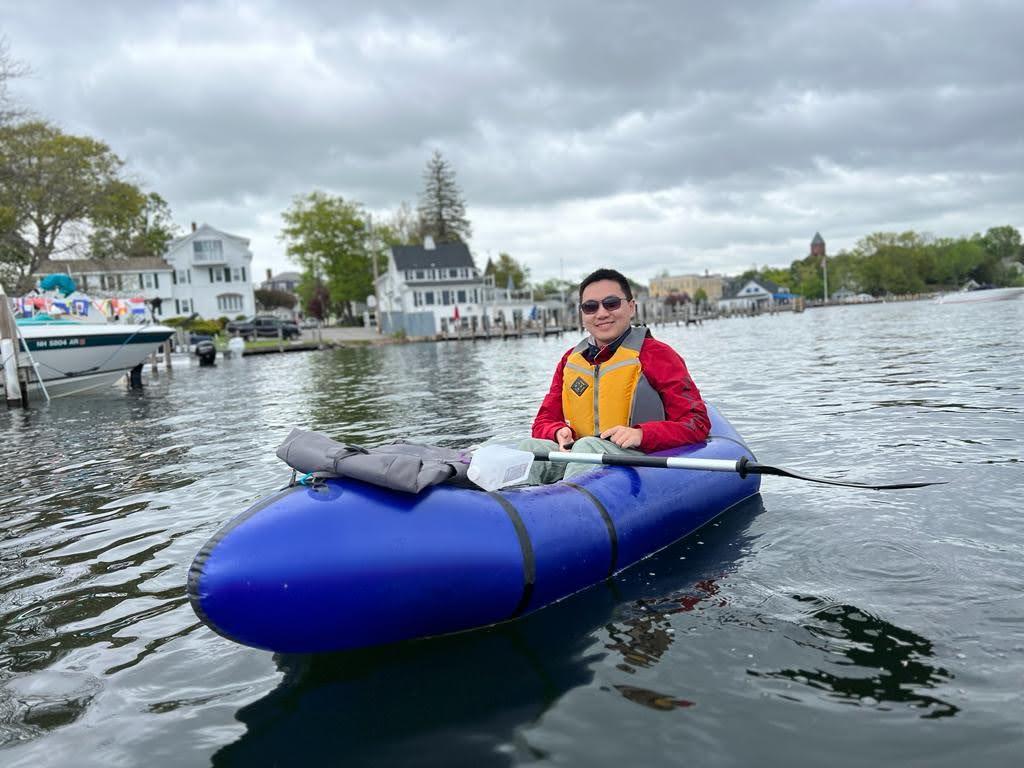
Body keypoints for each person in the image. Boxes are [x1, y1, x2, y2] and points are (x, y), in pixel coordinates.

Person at [519, 267, 710, 484]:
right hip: (581, 453)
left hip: (639, 457)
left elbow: (697, 422)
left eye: (611, 303)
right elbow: (543, 421)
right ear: (582, 314)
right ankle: (512, 506)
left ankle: (569, 507)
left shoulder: (658, 355)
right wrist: (557, 431)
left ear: (631, 307)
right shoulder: (568, 361)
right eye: (590, 307)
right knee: (529, 447)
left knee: (587, 447)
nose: (601, 313)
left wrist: (641, 434)